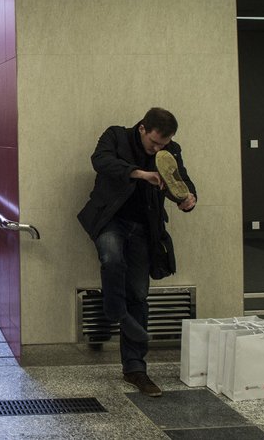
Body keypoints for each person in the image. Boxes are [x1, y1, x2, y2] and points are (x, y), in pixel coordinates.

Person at [77, 107, 197, 397]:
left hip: (144, 228)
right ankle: (115, 310)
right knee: (112, 258)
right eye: (155, 143)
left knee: (139, 295)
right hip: (110, 219)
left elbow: (180, 180)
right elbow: (101, 161)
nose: (159, 148)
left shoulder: (170, 150)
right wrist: (139, 173)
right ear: (142, 128)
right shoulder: (116, 136)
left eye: (164, 144)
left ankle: (135, 370)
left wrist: (189, 198)